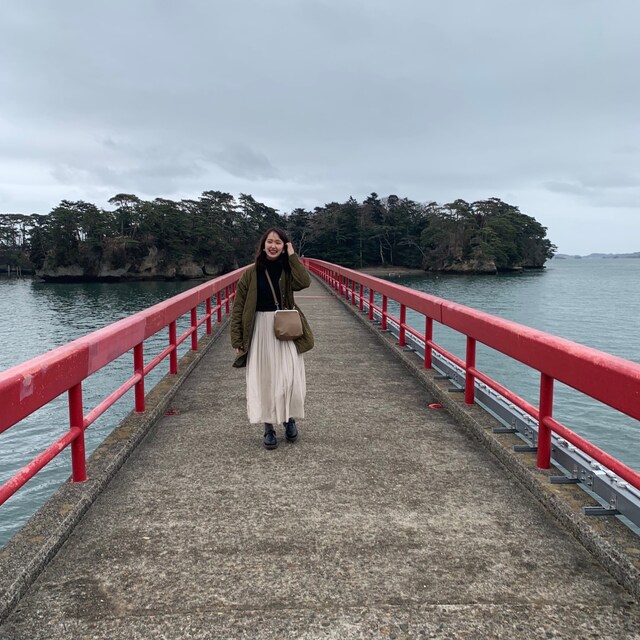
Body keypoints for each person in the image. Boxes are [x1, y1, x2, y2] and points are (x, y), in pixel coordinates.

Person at [231, 228, 314, 449]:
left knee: (289, 378)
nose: (273, 246)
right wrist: (237, 339)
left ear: (284, 246)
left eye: (278, 242)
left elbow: (304, 281)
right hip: (259, 329)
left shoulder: (288, 270)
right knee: (264, 379)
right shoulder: (250, 273)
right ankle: (268, 427)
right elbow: (238, 307)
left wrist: (293, 256)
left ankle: (289, 419)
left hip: (284, 328)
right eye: (270, 241)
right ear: (263, 245)